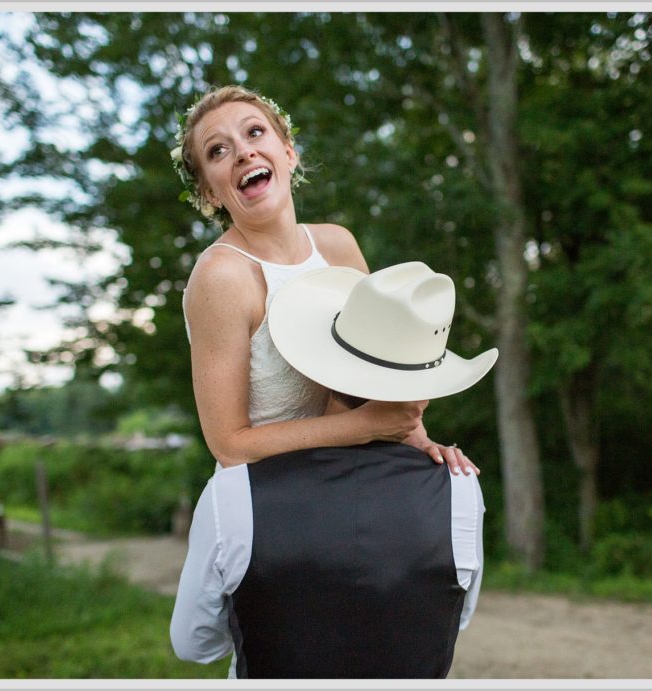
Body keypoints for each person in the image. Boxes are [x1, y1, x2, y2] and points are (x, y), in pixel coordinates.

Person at [170, 262, 495, 678]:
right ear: (424, 396)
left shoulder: (233, 493)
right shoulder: (461, 488)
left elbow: (193, 645)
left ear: (316, 372)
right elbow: (453, 617)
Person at [175, 84, 480, 474]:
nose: (243, 152)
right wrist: (363, 427)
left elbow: (382, 370)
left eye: (254, 132)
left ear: (288, 152)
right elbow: (230, 446)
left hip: (352, 474)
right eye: (218, 150)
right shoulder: (221, 277)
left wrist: (419, 441)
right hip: (267, 493)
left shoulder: (338, 245)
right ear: (209, 193)